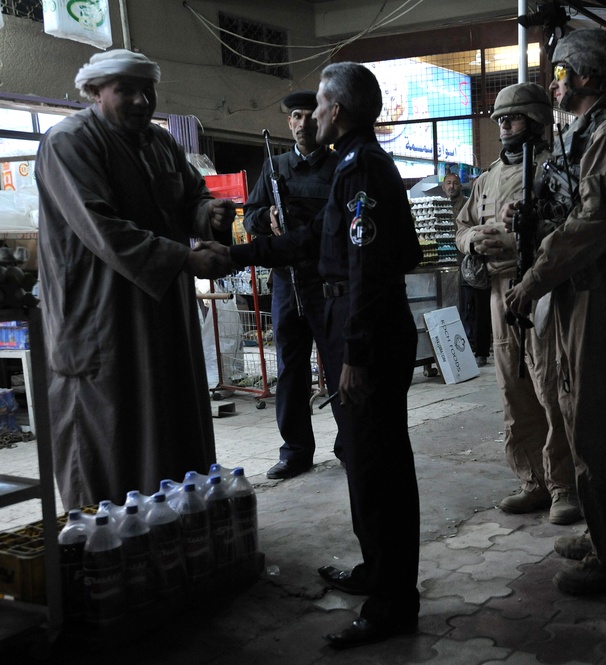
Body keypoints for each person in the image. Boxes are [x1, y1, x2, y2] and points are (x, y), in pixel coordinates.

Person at [228, 62, 423, 649]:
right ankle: (376, 572)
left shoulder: (362, 169)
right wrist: (239, 254)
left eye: (317, 105)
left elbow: (367, 267)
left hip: (364, 330)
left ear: (336, 111)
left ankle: (393, 603)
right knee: (363, 459)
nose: (310, 116)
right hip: (352, 321)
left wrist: (356, 352)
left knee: (378, 466)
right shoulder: (352, 166)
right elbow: (315, 241)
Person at [34, 49, 235, 509]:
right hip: (99, 313)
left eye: (147, 90)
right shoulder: (70, 142)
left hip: (162, 308)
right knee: (110, 424)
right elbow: (101, 227)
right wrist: (185, 259)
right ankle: (107, 539)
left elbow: (191, 197)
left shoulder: (160, 144)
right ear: (95, 92)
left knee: (171, 414)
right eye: (126, 90)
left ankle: (175, 525)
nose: (142, 101)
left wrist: (209, 214)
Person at [504, 29, 606, 596]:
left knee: (600, 420)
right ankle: (605, 532)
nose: (554, 82)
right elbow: (570, 208)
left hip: (596, 290)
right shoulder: (583, 132)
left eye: (560, 72)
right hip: (575, 291)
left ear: (585, 77)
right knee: (575, 410)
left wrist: (533, 280)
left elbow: (592, 225)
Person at [454, 83, 580, 526]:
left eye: (514, 118)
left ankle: (564, 484)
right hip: (497, 290)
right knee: (513, 389)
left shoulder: (557, 169)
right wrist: (474, 239)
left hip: (542, 290)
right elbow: (463, 226)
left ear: (537, 120)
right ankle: (533, 481)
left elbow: (574, 228)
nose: (505, 126)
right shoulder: (486, 178)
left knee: (551, 388)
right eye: (501, 120)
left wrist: (527, 231)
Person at [243, 90, 336, 480]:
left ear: (322, 118)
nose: (302, 124)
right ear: (289, 123)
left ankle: (349, 444)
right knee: (291, 371)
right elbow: (249, 218)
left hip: (327, 283)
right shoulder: (274, 167)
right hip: (285, 282)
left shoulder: (338, 166)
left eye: (309, 115)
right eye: (295, 117)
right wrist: (268, 219)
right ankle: (296, 451)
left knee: (338, 365)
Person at [446, 171, 491, 367]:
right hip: (456, 265)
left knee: (480, 308)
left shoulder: (468, 204)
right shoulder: (446, 207)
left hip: (476, 264)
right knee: (463, 308)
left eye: (455, 183)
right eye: (448, 183)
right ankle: (464, 347)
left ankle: (480, 350)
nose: (452, 186)